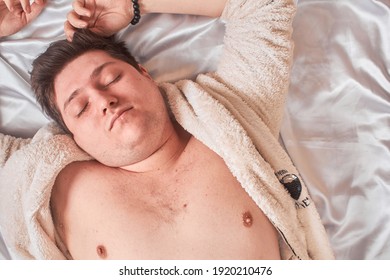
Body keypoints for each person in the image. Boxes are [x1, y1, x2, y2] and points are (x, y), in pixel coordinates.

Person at [1, 0, 334, 260]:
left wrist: (134, 6)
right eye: (81, 108)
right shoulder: (43, 181)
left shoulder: (232, 114)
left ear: (145, 74)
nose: (104, 100)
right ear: (72, 135)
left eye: (112, 78)